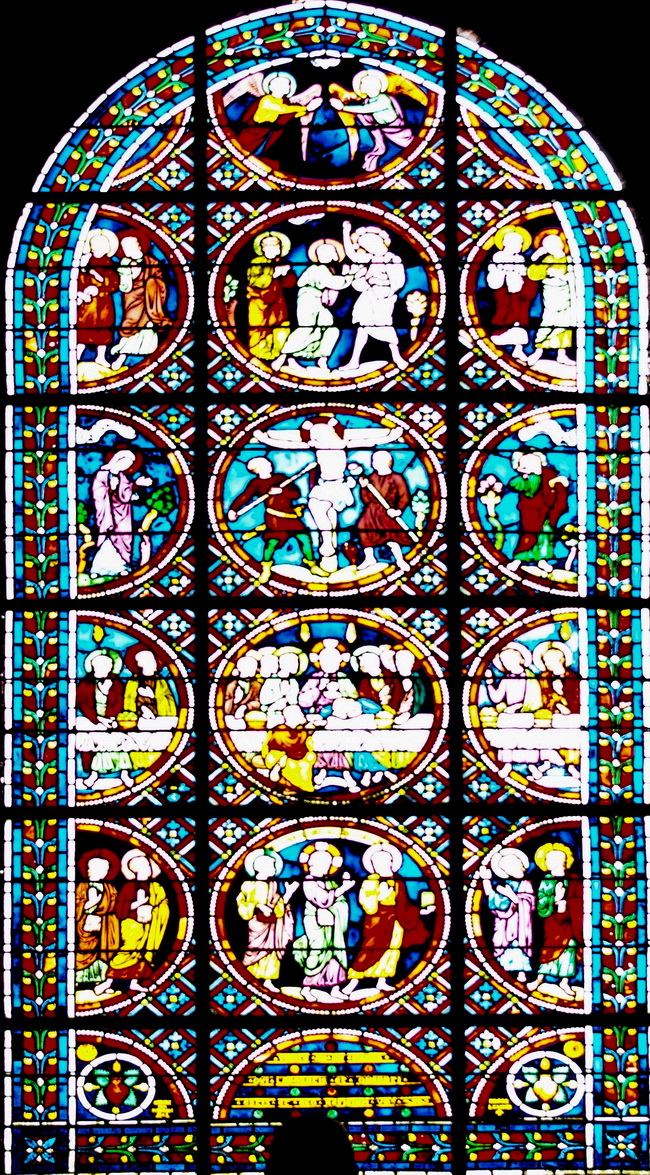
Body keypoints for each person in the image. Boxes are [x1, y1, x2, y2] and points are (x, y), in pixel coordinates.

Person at [253, 413, 404, 574]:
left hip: (339, 487)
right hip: (323, 486)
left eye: (321, 433)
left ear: (332, 432)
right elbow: (288, 445)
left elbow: (369, 441)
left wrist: (391, 436)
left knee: (322, 512)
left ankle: (327, 544)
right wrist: (266, 440)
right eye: (315, 435)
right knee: (324, 514)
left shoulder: (343, 444)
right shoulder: (316, 446)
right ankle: (328, 548)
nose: (317, 437)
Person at [343, 843, 431, 994]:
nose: (381, 865)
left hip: (395, 920)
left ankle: (382, 981)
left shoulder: (398, 880)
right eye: (377, 862)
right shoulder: (371, 881)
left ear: (391, 862)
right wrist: (379, 896)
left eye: (385, 861)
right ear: (372, 865)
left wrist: (421, 911)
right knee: (369, 950)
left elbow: (404, 903)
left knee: (392, 950)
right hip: (377, 920)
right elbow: (365, 901)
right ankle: (353, 982)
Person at [227, 455, 321, 585]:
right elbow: (245, 497)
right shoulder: (256, 484)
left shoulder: (281, 478)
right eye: (266, 464)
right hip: (274, 518)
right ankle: (266, 569)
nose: (270, 464)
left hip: (290, 515)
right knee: (272, 542)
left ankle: (313, 565)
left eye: (268, 463)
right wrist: (233, 509)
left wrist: (282, 491)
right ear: (257, 470)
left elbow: (296, 494)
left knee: (304, 538)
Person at [273, 238, 354, 371]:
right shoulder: (318, 269)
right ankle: (283, 358)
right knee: (306, 328)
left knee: (331, 329)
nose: (324, 256)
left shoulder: (327, 269)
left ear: (335, 256)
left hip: (317, 300)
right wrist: (351, 276)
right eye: (321, 253)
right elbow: (334, 283)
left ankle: (322, 359)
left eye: (329, 252)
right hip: (307, 299)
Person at [96, 850, 170, 995]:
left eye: (148, 865)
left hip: (147, 925)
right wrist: (138, 905)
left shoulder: (155, 887)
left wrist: (154, 910)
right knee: (127, 951)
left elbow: (163, 903)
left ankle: (134, 983)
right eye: (144, 866)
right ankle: (107, 982)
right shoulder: (129, 886)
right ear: (136, 869)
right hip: (131, 924)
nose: (148, 868)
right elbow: (120, 909)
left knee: (140, 954)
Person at [292, 841, 355, 999]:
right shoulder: (309, 880)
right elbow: (323, 900)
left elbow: (339, 902)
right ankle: (306, 988)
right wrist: (344, 888)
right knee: (318, 950)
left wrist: (339, 903)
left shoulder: (330, 881)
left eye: (328, 863)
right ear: (311, 864)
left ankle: (335, 988)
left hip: (333, 924)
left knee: (336, 952)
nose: (326, 866)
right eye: (322, 863)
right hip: (315, 922)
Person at [342, 220, 408, 370]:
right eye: (366, 246)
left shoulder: (393, 259)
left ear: (381, 241)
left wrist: (380, 285)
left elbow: (398, 281)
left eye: (371, 243)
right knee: (362, 327)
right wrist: (346, 232)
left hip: (383, 298)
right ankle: (354, 361)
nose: (370, 247)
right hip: (369, 296)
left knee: (385, 327)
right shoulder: (371, 258)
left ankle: (398, 358)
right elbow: (352, 255)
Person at [224, 70, 322, 168]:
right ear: (271, 87)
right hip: (253, 129)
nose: (286, 87)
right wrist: (304, 108)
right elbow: (281, 109)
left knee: (258, 151)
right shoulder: (266, 99)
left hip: (267, 130)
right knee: (241, 148)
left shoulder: (284, 101)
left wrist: (307, 110)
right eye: (282, 85)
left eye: (287, 85)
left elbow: (291, 115)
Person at [329, 69, 418, 172]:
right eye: (361, 84)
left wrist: (343, 108)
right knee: (409, 149)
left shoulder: (383, 99)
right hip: (386, 130)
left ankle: (420, 158)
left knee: (412, 146)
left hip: (398, 129)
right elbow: (365, 112)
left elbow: (367, 109)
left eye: (363, 83)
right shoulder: (368, 101)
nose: (361, 86)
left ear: (374, 86)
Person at [527, 842, 583, 999]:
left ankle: (565, 982)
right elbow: (542, 905)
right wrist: (556, 900)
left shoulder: (575, 879)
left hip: (571, 922)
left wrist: (567, 903)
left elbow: (582, 899)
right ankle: (539, 979)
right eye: (549, 859)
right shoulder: (546, 881)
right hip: (552, 923)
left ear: (565, 860)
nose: (552, 862)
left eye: (557, 859)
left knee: (570, 948)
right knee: (549, 948)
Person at [236, 848, 298, 987]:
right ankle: (250, 978)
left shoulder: (273, 885)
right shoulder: (248, 885)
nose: (274, 869)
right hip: (257, 925)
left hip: (273, 925)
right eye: (271, 866)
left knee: (272, 952)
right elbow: (242, 903)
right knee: (255, 950)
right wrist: (258, 906)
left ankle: (268, 981)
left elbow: (279, 906)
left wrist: (288, 893)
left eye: (274, 866)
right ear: (259, 868)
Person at [88, 447, 153, 580]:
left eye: (128, 465)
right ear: (116, 460)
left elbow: (126, 495)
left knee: (124, 538)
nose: (125, 466)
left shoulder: (123, 477)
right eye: (124, 462)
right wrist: (109, 488)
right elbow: (97, 491)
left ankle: (122, 567)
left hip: (123, 515)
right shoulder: (102, 474)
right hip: (107, 513)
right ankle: (98, 569)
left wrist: (137, 485)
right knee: (107, 539)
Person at [111, 230, 172, 365]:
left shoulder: (152, 262)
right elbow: (123, 286)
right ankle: (122, 357)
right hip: (132, 298)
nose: (126, 249)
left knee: (148, 327)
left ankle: (151, 359)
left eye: (128, 246)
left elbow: (160, 282)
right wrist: (127, 273)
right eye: (123, 247)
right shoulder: (124, 263)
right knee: (130, 322)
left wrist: (151, 285)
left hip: (150, 300)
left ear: (139, 245)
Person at [506, 450, 570, 574]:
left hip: (546, 513)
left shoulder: (548, 474)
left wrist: (556, 483)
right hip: (530, 513)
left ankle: (542, 560)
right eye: (527, 464)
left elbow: (556, 490)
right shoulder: (524, 480)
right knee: (529, 535)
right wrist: (551, 482)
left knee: (546, 536)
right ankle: (518, 559)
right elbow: (529, 489)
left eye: (535, 463)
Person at [75, 648, 131, 790]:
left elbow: (120, 702)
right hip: (91, 720)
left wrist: (111, 717)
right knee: (95, 738)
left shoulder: (116, 682)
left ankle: (124, 774)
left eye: (108, 666)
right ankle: (93, 775)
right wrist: (99, 719)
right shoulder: (86, 683)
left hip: (112, 719)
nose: (105, 669)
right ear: (93, 666)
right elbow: (82, 704)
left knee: (117, 739)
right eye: (101, 666)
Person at [120, 645, 178, 772]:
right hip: (139, 723)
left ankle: (158, 766)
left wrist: (154, 696)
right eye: (147, 659)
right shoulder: (132, 682)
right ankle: (140, 764)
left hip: (159, 721)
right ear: (139, 663)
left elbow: (169, 701)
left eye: (152, 659)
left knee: (162, 737)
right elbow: (128, 703)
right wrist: (139, 712)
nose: (152, 662)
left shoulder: (161, 681)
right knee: (135, 739)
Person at [480, 847, 535, 981]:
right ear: (506, 871)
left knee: (519, 947)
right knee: (503, 947)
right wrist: (486, 880)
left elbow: (530, 903)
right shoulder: (503, 885)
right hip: (504, 925)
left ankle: (522, 973)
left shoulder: (526, 884)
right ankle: (503, 971)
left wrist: (512, 896)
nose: (519, 868)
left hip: (521, 925)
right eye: (513, 867)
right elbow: (493, 901)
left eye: (519, 864)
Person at [485, 226, 538, 361]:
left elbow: (523, 272)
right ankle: (498, 342)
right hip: (504, 294)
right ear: (505, 243)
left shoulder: (520, 258)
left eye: (520, 243)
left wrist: (521, 275)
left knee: (520, 319)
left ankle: (518, 349)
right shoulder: (498, 256)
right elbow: (496, 276)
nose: (518, 246)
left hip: (518, 295)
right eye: (516, 243)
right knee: (504, 314)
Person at [527, 231, 577, 368]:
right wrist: (535, 258)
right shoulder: (547, 260)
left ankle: (562, 354)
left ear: (562, 243)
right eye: (547, 245)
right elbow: (533, 274)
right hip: (551, 295)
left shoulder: (570, 260)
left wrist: (561, 276)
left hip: (566, 295)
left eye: (554, 243)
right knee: (548, 322)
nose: (551, 246)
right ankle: (538, 351)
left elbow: (575, 277)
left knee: (565, 325)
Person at [357, 449, 411, 573]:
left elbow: (404, 496)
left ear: (387, 462)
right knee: (363, 528)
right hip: (372, 511)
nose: (373, 463)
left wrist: (398, 510)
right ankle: (369, 558)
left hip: (388, 511)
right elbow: (366, 499)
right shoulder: (371, 478)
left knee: (391, 536)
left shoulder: (396, 478)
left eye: (376, 460)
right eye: (373, 460)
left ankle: (400, 560)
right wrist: (364, 488)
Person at [245, 231, 296, 363]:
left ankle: (275, 355)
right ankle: (256, 355)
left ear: (280, 248)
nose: (272, 248)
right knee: (258, 329)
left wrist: (286, 273)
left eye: (275, 245)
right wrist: (273, 273)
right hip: (258, 302)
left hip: (278, 303)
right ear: (262, 248)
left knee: (281, 327)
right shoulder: (256, 262)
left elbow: (290, 284)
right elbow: (254, 281)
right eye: (268, 245)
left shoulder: (283, 262)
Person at [75, 849, 121, 990]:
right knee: (84, 950)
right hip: (85, 923)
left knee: (103, 952)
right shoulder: (82, 886)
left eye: (105, 870)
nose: (102, 872)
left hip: (105, 925)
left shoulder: (110, 888)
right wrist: (89, 904)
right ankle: (79, 979)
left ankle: (99, 980)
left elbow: (115, 906)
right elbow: (76, 905)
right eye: (94, 868)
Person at [75, 228, 120, 373]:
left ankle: (100, 357)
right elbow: (79, 279)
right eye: (93, 244)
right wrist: (82, 291)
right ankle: (76, 355)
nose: (95, 247)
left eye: (99, 245)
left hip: (103, 303)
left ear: (107, 248)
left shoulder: (110, 264)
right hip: (87, 304)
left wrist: (99, 283)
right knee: (83, 328)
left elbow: (114, 283)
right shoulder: (84, 262)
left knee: (104, 329)